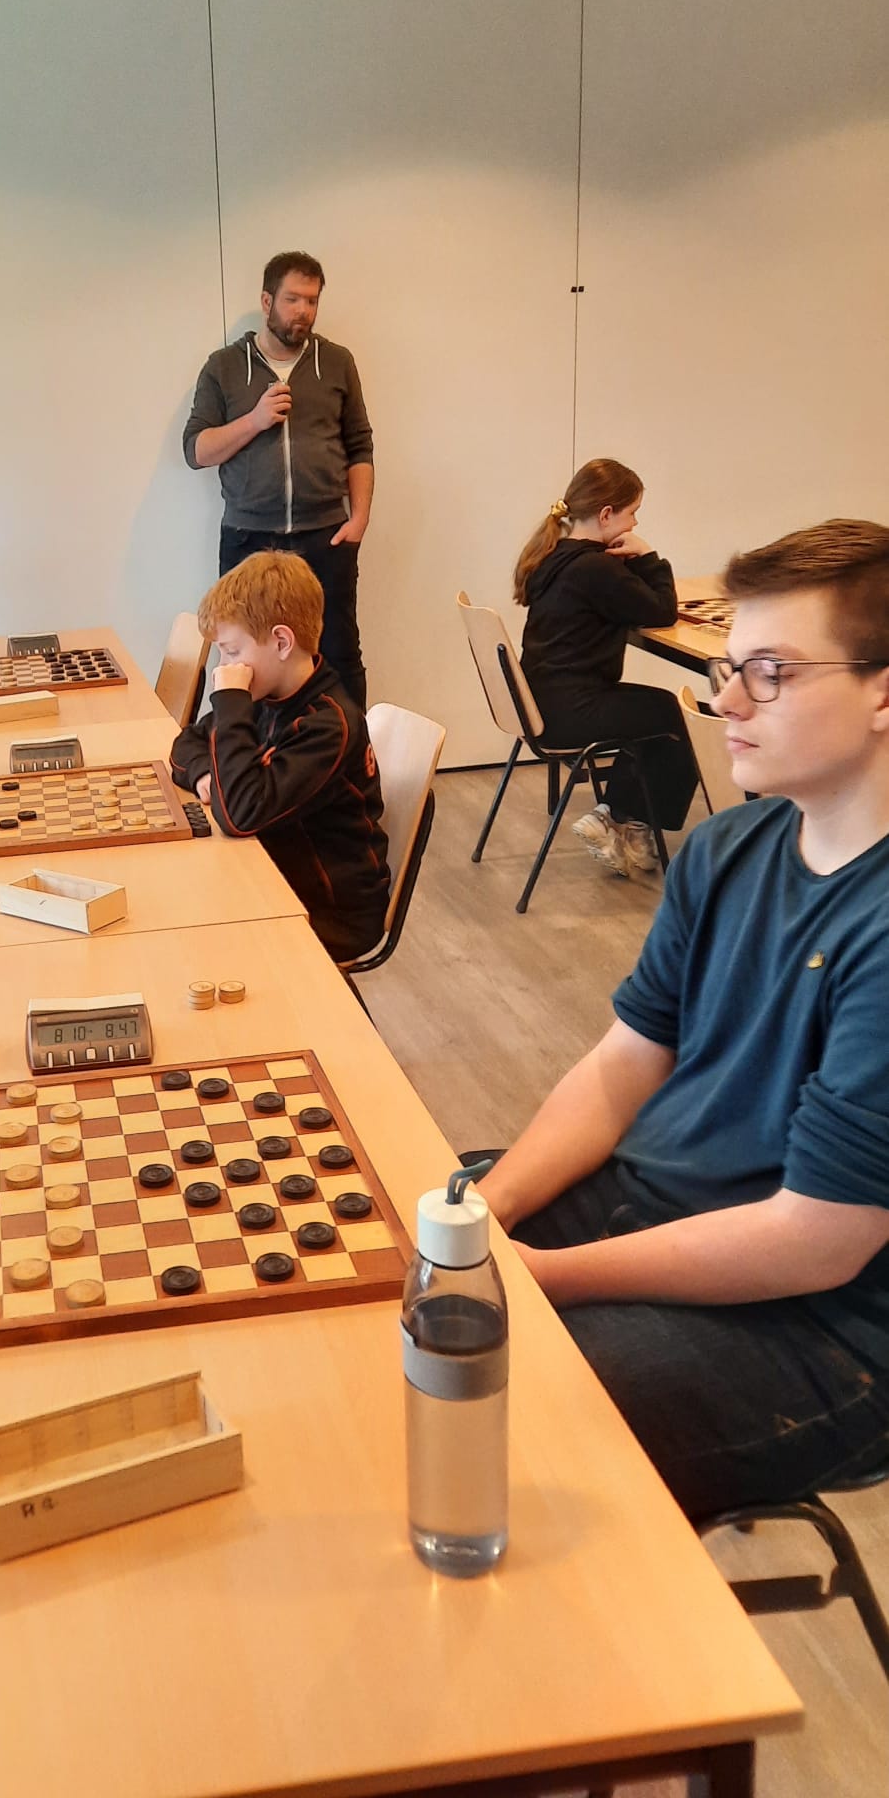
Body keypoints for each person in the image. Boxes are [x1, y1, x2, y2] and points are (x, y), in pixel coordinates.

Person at [481, 518, 889, 1518]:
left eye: (770, 673)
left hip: (824, 1323)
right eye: (727, 668)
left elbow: (817, 1240)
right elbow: (623, 1064)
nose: (723, 700)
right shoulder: (727, 848)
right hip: (658, 1200)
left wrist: (547, 1277)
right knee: (381, 1241)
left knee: (496, 1403)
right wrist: (487, 1215)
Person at [169, 550, 390, 964]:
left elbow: (239, 816)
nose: (223, 669)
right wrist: (205, 776)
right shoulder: (263, 696)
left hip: (329, 913)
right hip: (270, 873)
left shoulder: (327, 725)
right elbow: (185, 745)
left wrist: (230, 700)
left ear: (282, 642)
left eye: (231, 652)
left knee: (184, 939)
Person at [183, 251, 375, 712]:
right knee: (245, 657)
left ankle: (351, 748)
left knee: (338, 652)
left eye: (312, 300)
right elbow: (195, 450)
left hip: (325, 537)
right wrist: (255, 420)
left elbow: (360, 445)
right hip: (248, 539)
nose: (303, 311)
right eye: (292, 299)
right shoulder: (224, 367)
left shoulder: (336, 362)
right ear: (267, 301)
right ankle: (246, 749)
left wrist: (359, 519)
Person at [515, 456, 696, 879]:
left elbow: (633, 600)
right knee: (676, 717)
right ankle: (618, 818)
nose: (635, 524)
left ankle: (625, 824)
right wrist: (649, 556)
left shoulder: (556, 556)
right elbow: (661, 610)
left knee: (655, 712)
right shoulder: (595, 568)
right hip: (572, 711)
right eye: (632, 513)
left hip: (541, 703)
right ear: (606, 514)